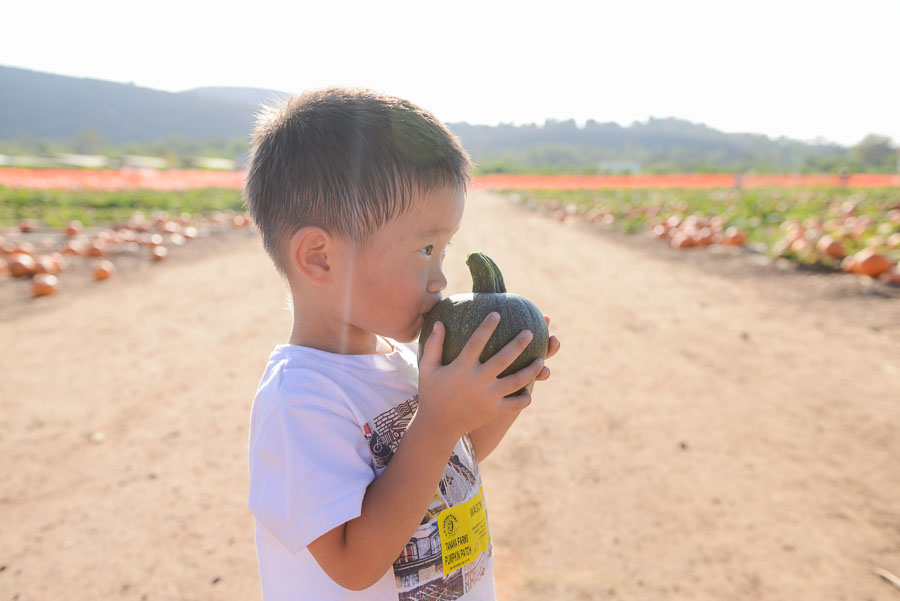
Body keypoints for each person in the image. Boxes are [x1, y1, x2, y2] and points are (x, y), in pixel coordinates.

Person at [244, 87, 560, 601]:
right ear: (320, 258)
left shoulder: (407, 362)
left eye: (444, 249)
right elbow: (353, 563)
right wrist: (437, 420)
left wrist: (499, 398)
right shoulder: (299, 402)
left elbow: (450, 463)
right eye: (424, 249)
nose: (440, 279)